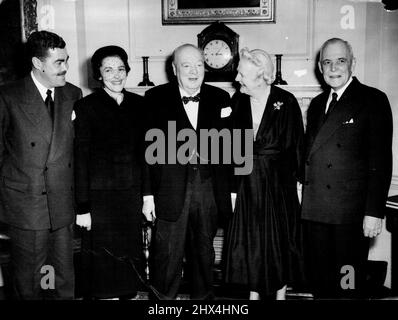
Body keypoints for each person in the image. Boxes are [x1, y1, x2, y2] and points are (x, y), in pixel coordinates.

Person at [301, 38, 393, 299]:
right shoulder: (318, 104)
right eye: (327, 62)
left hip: (350, 216)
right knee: (319, 283)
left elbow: (381, 161)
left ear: (353, 63)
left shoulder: (373, 99)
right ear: (320, 67)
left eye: (340, 61)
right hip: (316, 211)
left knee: (347, 283)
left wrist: (374, 212)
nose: (333, 68)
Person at [142, 43, 232, 300]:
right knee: (166, 256)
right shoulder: (155, 98)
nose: (194, 71)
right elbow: (147, 150)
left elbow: (231, 149)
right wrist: (147, 195)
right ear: (174, 70)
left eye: (199, 65)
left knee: (204, 254)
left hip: (208, 189)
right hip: (169, 189)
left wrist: (230, 193)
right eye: (186, 65)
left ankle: (204, 302)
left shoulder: (220, 98)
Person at [0, 31, 82, 299]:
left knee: (63, 278)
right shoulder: (8, 96)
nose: (66, 67)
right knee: (30, 281)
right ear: (38, 63)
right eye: (58, 62)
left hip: (62, 204)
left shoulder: (73, 93)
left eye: (66, 60)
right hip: (26, 205)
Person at [223, 48, 305, 300]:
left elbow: (297, 147)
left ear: (261, 75)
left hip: (279, 186)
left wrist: (300, 187)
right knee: (251, 244)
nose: (237, 79)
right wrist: (232, 189)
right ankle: (253, 297)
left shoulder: (286, 101)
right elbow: (230, 149)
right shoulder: (236, 101)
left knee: (279, 243)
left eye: (242, 74)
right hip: (247, 185)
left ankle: (280, 296)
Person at [74, 45, 145, 299]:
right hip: (100, 200)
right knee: (103, 272)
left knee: (128, 268)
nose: (116, 75)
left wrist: (147, 196)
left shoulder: (140, 105)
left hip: (131, 196)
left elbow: (146, 155)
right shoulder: (85, 107)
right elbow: (80, 159)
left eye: (121, 69)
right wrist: (82, 207)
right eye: (108, 70)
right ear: (99, 75)